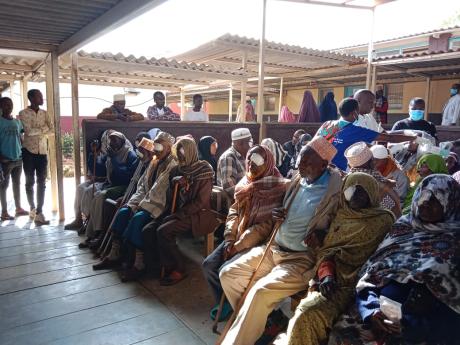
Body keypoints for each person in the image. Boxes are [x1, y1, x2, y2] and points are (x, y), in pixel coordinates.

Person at [219, 137, 341, 345]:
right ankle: (265, 322)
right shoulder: (297, 180)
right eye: (300, 161)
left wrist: (324, 235)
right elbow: (278, 212)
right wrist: (278, 214)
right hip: (273, 247)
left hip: (300, 259)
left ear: (323, 164)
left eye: (306, 163)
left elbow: (343, 228)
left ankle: (239, 339)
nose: (300, 166)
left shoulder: (336, 189)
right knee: (228, 274)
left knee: (259, 292)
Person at [331, 175, 460, 345]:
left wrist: (411, 326)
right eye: (423, 195)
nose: (426, 202)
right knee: (341, 333)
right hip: (376, 312)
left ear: (451, 204)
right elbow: (371, 273)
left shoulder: (455, 242)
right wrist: (370, 310)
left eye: (436, 198)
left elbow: (453, 311)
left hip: (422, 330)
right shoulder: (403, 227)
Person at [281, 173, 395, 345]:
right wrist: (327, 274)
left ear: (371, 193)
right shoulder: (341, 215)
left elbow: (387, 256)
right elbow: (328, 251)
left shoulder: (384, 220)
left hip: (364, 284)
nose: (355, 195)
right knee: (305, 314)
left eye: (361, 190)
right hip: (334, 282)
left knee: (309, 315)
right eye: (350, 190)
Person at [202, 145, 289, 321]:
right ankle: (225, 302)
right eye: (249, 159)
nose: (251, 165)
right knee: (209, 265)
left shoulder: (278, 187)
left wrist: (238, 246)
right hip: (237, 236)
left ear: (268, 163)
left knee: (227, 269)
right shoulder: (245, 183)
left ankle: (248, 311)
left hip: (258, 242)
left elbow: (266, 226)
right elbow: (234, 212)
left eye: (257, 161)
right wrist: (228, 239)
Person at [93, 133, 177, 277]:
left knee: (138, 218)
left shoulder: (172, 165)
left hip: (159, 205)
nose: (155, 150)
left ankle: (139, 264)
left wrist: (141, 205)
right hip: (146, 201)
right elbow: (142, 186)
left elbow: (159, 191)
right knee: (123, 211)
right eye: (154, 146)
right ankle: (115, 254)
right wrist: (133, 203)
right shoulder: (154, 162)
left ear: (169, 148)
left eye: (159, 146)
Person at [156, 137, 217, 285]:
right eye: (179, 151)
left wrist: (179, 215)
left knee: (164, 231)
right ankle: (165, 264)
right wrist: (174, 183)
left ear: (191, 151)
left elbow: (201, 202)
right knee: (157, 226)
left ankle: (179, 268)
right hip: (181, 211)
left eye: (183, 151)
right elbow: (170, 196)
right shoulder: (177, 169)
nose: (181, 155)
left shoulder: (204, 169)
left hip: (199, 214)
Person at [316, 98, 416, 171]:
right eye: (358, 112)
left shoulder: (328, 125)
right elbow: (389, 138)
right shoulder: (356, 131)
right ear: (354, 113)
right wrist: (414, 137)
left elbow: (317, 141)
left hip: (323, 169)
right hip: (342, 172)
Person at [80, 131, 139, 246]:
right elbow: (99, 169)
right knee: (92, 195)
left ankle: (98, 232)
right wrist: (93, 153)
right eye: (110, 140)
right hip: (110, 184)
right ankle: (90, 231)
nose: (112, 143)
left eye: (115, 140)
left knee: (99, 196)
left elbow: (126, 176)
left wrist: (114, 160)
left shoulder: (129, 154)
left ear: (122, 142)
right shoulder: (110, 153)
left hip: (123, 186)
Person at [18, 89, 53, 225]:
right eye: (39, 96)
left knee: (42, 183)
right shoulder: (23, 113)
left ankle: (39, 212)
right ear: (31, 98)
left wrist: (41, 130)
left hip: (42, 152)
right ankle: (32, 209)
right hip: (28, 152)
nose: (42, 98)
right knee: (29, 182)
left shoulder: (45, 113)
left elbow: (52, 129)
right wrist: (43, 129)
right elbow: (28, 131)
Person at [345, 142, 401, 218]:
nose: (375, 162)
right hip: (381, 223)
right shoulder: (387, 184)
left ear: (350, 165)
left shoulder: (346, 182)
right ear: (372, 162)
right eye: (373, 159)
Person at [0, 97, 28, 220]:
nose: (9, 106)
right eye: (5, 105)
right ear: (1, 107)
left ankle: (18, 208)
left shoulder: (17, 122)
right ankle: (4, 212)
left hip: (18, 158)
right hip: (5, 159)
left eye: (10, 104)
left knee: (17, 184)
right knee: (3, 186)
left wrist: (22, 150)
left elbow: (21, 137)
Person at [217, 128, 252, 199]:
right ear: (240, 143)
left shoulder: (243, 155)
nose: (250, 145)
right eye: (249, 142)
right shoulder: (228, 157)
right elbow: (230, 188)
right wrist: (250, 197)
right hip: (235, 203)